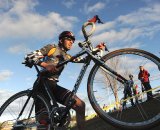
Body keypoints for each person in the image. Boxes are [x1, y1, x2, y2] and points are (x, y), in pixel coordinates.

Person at [25, 31, 105, 130]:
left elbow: (83, 59)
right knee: (44, 121)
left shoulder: (67, 56)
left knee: (80, 105)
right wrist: (46, 65)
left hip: (54, 86)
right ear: (61, 40)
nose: (71, 42)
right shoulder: (52, 48)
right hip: (42, 84)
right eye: (68, 39)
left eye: (72, 41)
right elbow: (29, 56)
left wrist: (96, 49)